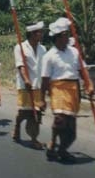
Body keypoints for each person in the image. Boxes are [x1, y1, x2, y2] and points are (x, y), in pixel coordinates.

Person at [41, 17, 82, 163]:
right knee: (60, 120)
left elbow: (81, 71)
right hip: (57, 89)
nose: (68, 37)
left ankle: (62, 149)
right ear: (58, 37)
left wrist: (88, 85)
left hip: (73, 90)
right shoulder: (49, 56)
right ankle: (52, 142)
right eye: (66, 34)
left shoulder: (74, 52)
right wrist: (41, 99)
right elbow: (45, 80)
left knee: (71, 132)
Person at [12, 21, 46, 149]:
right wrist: (26, 79)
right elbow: (20, 66)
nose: (41, 34)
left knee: (36, 114)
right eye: (39, 32)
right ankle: (17, 125)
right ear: (32, 34)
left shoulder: (43, 49)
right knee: (24, 112)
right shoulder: (20, 47)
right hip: (25, 85)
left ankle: (34, 138)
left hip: (38, 85)